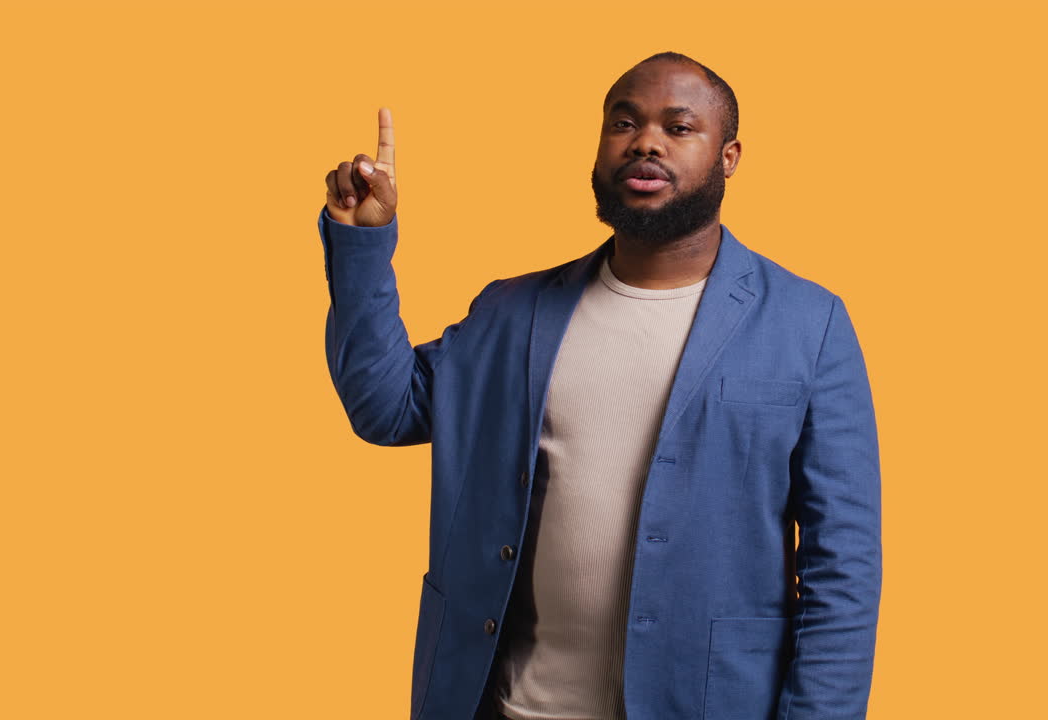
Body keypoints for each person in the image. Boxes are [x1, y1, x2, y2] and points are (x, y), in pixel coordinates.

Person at [317, 51, 882, 720]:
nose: (645, 141)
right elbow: (386, 407)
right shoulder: (511, 312)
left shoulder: (807, 324)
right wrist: (363, 243)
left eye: (678, 127)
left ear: (728, 157)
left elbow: (841, 568)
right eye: (624, 122)